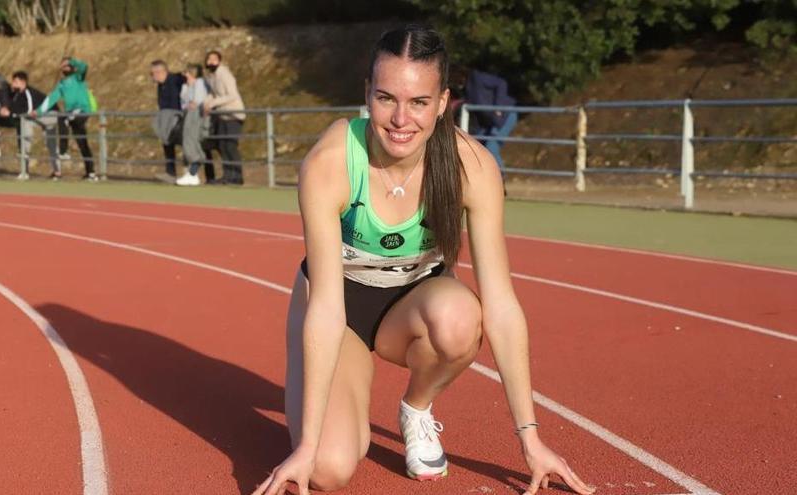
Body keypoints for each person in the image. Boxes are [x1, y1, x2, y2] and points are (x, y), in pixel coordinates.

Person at [252, 25, 595, 495]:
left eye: (418, 102)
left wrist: (530, 439)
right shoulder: (331, 162)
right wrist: (307, 444)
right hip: (339, 313)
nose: (400, 119)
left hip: (413, 310)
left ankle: (416, 408)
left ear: (442, 102)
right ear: (366, 94)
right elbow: (328, 310)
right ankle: (338, 406)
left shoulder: (470, 166)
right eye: (386, 98)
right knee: (326, 470)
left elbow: (502, 308)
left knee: (459, 316)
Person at [34, 56, 97, 181]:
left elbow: (84, 66)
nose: (65, 67)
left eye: (68, 65)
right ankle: (90, 172)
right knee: (82, 142)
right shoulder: (61, 84)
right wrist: (38, 111)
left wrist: (72, 61)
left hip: (82, 110)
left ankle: (63, 151)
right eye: (63, 65)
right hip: (71, 113)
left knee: (64, 119)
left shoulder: (78, 77)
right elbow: (52, 98)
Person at [202, 50, 246, 185]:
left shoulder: (225, 74)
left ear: (219, 61)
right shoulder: (211, 76)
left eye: (214, 59)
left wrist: (214, 103)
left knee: (231, 145)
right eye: (209, 59)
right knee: (222, 146)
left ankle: (237, 176)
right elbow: (213, 93)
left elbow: (232, 94)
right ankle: (228, 175)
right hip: (222, 114)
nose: (211, 62)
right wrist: (206, 103)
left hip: (233, 114)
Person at [9, 70, 62, 180]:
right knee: (48, 142)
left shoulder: (28, 92)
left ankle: (54, 171)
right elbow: (16, 109)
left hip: (50, 115)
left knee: (28, 122)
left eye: (15, 81)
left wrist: (12, 113)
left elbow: (29, 110)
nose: (12, 84)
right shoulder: (17, 95)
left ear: (22, 82)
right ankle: (27, 170)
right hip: (38, 116)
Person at [465, 68, 518, 173]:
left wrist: (498, 107)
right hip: (490, 122)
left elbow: (501, 83)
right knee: (476, 147)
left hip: (505, 116)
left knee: (491, 148)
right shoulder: (466, 90)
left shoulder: (477, 77)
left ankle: (499, 178)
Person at [150, 60, 186, 181]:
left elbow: (184, 78)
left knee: (187, 144)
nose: (152, 76)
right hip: (167, 120)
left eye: (153, 73)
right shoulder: (161, 85)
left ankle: (191, 173)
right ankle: (170, 173)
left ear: (161, 71)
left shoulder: (174, 79)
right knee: (167, 144)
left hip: (178, 118)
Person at [176, 64, 209, 187]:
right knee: (188, 142)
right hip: (188, 115)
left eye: (187, 72)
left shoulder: (199, 82)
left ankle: (193, 174)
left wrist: (192, 104)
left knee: (192, 142)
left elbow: (197, 101)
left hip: (196, 116)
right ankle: (191, 174)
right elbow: (184, 104)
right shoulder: (186, 86)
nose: (184, 74)